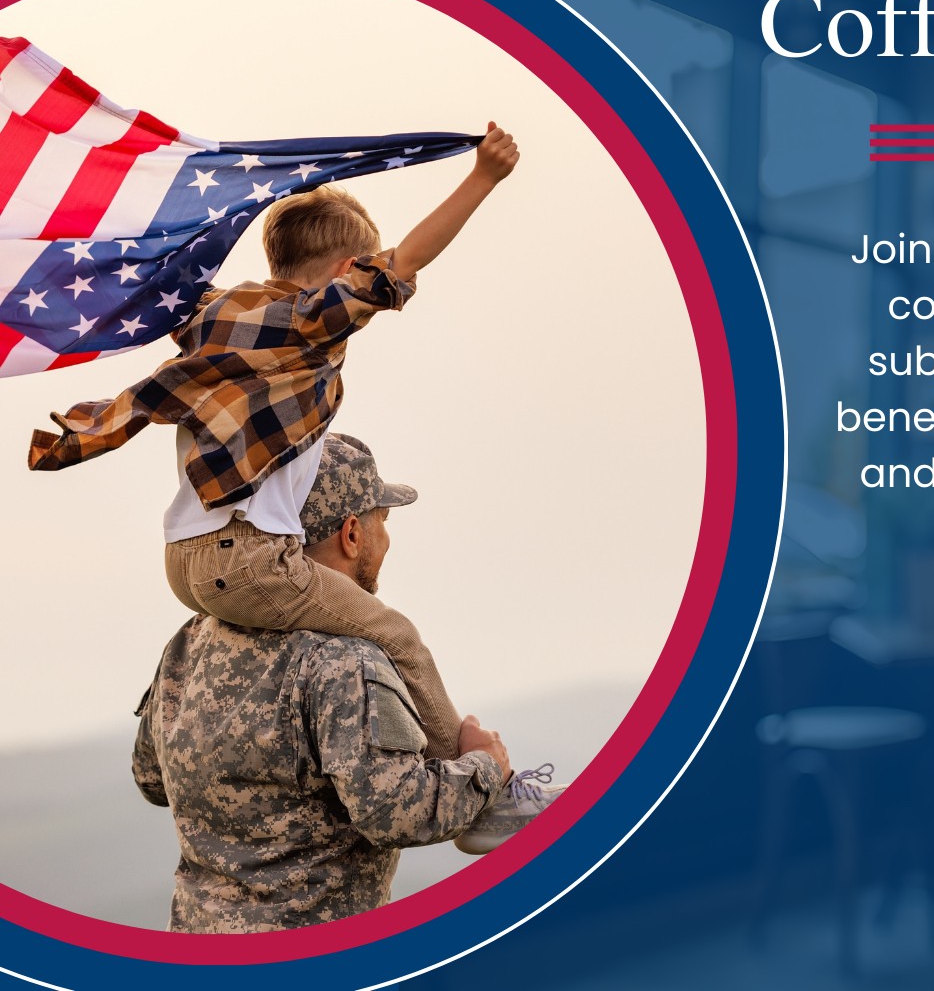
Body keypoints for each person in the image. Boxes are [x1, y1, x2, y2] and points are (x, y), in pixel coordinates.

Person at [31, 126, 553, 839]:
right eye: (360, 269)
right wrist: (483, 178)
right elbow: (405, 261)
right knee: (397, 636)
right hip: (248, 556)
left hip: (185, 558)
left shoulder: (220, 313)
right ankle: (489, 805)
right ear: (344, 267)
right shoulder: (310, 325)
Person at [133, 433, 561, 932]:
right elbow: (395, 811)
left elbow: (151, 779)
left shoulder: (190, 642)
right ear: (352, 533)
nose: (386, 536)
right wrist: (485, 770)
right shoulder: (344, 660)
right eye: (383, 520)